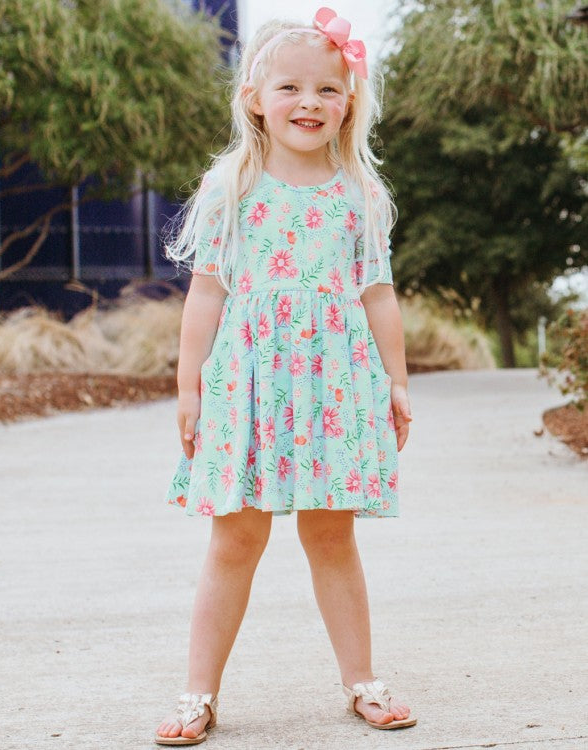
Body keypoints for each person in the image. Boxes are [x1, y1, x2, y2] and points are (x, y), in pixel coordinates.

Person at [155, 6, 416, 745]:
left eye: (328, 90)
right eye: (291, 88)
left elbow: (377, 295)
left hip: (333, 390)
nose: (309, 103)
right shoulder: (228, 188)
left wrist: (395, 381)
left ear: (349, 103)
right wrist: (188, 385)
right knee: (233, 540)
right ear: (254, 98)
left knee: (331, 537)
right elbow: (205, 294)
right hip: (248, 388)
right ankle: (197, 694)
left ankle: (362, 680)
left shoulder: (358, 197)